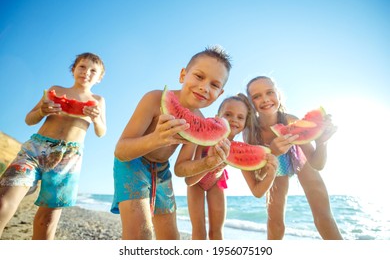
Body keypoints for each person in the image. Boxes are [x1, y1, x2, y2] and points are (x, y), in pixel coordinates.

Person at [111, 46, 232, 240]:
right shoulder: (154, 99)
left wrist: (209, 164)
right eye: (199, 77)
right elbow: (121, 150)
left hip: (162, 171)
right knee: (140, 235)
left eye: (214, 85)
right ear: (183, 75)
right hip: (132, 164)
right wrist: (155, 139)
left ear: (220, 93)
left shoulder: (199, 120)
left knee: (172, 239)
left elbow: (183, 171)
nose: (204, 87)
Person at [0, 52, 106, 240]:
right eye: (82, 66)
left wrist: (96, 119)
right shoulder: (56, 90)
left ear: (99, 78)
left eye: (93, 70)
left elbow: (101, 131)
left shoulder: (98, 101)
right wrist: (42, 111)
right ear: (73, 69)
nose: (86, 72)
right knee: (3, 202)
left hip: (69, 158)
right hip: (35, 150)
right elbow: (29, 119)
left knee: (47, 221)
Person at [244, 75, 343, 240]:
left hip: (299, 156)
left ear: (278, 95)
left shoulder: (290, 120)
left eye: (270, 92)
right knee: (275, 220)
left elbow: (317, 164)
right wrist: (273, 153)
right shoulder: (250, 132)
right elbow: (258, 177)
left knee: (323, 216)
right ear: (250, 103)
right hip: (273, 162)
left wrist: (321, 143)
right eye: (257, 96)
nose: (265, 99)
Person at [185, 94, 278, 240]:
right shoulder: (204, 138)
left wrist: (271, 175)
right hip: (196, 183)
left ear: (244, 124)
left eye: (240, 117)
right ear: (217, 116)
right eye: (228, 114)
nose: (234, 119)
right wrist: (210, 162)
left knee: (217, 232)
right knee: (199, 230)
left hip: (217, 182)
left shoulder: (239, 151)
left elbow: (257, 191)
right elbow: (190, 180)